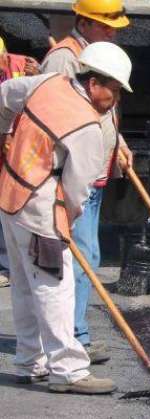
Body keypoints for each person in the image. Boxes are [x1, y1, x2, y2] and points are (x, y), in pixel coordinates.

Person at [0, 42, 132, 394]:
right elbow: (77, 191)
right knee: (55, 286)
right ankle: (68, 371)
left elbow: (5, 94)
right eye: (114, 90)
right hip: (41, 204)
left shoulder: (48, 82)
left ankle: (31, 361)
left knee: (26, 284)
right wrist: (66, 223)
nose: (115, 99)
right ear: (94, 84)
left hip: (10, 192)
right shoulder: (86, 126)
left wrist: (3, 135)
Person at [40, 0, 132, 364]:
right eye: (104, 24)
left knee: (86, 256)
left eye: (114, 25)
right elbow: (53, 113)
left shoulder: (96, 54)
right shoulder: (65, 59)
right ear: (82, 21)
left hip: (95, 173)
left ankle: (73, 334)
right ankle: (72, 337)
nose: (112, 31)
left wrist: (118, 143)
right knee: (77, 258)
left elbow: (103, 111)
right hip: (72, 176)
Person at [0, 35, 40, 288]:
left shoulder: (22, 65)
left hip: (16, 146)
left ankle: (7, 264)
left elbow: (45, 92)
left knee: (7, 205)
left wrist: (38, 72)